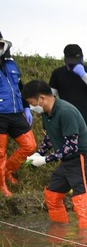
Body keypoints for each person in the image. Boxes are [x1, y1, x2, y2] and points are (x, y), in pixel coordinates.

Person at [21, 80, 87, 228]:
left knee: (82, 203)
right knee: (52, 195)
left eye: (31, 103)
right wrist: (38, 153)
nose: (31, 107)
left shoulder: (66, 112)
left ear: (42, 99)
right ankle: (59, 234)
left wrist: (45, 159)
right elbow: (50, 136)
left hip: (82, 160)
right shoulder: (46, 113)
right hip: (67, 163)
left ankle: (85, 246)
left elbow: (71, 146)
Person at [0, 35, 37, 195]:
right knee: (0, 153)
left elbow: (21, 87)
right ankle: (2, 186)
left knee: (30, 146)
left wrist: (26, 107)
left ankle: (8, 171)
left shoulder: (11, 64)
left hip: (16, 113)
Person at [48, 43, 87, 140]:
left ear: (82, 58)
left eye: (77, 61)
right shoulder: (58, 73)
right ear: (65, 60)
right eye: (71, 62)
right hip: (66, 119)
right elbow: (51, 97)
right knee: (67, 150)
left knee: (86, 151)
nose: (74, 65)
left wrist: (83, 75)